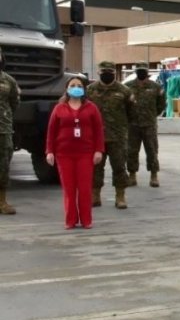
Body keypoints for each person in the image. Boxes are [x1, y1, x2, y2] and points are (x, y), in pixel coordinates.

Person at [45, 76, 104, 229]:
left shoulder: (91, 108)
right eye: (72, 85)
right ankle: (70, 220)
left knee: (84, 189)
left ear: (84, 89)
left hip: (85, 154)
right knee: (69, 189)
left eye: (79, 85)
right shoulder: (59, 108)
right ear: (67, 89)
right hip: (64, 154)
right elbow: (51, 131)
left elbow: (98, 131)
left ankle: (86, 220)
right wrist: (49, 151)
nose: (76, 87)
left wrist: (98, 150)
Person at [86, 60, 134, 209]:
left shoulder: (124, 91)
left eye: (110, 72)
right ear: (99, 72)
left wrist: (123, 128)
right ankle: (95, 195)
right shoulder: (89, 90)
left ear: (114, 73)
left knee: (119, 167)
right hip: (96, 137)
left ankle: (120, 196)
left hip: (117, 136)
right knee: (95, 168)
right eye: (103, 72)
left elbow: (131, 113)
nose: (107, 75)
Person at [126, 62, 164, 187]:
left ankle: (154, 175)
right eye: (139, 70)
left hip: (149, 125)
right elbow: (124, 105)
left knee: (152, 150)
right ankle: (132, 175)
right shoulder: (128, 87)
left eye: (143, 70)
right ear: (136, 72)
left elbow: (161, 105)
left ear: (147, 72)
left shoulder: (156, 87)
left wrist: (152, 115)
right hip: (133, 125)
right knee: (132, 150)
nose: (141, 73)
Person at [0, 50, 19, 214]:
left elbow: (14, 102)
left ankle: (2, 201)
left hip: (3, 130)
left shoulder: (9, 80)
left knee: (4, 165)